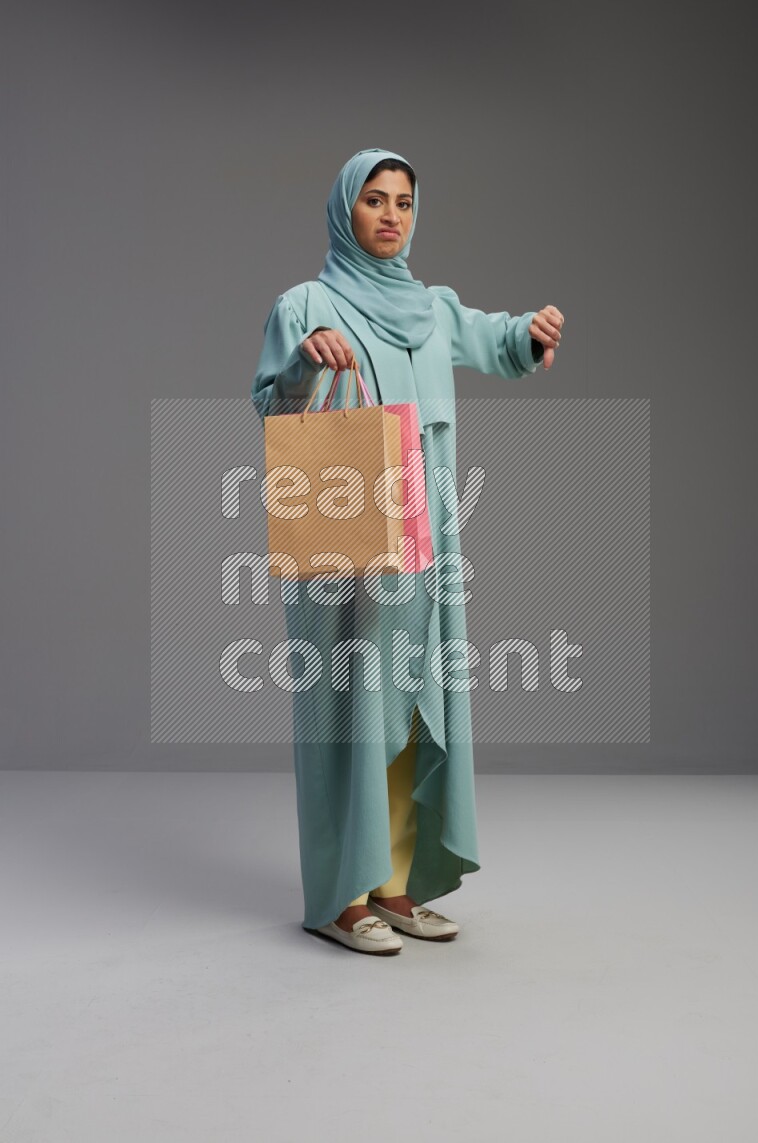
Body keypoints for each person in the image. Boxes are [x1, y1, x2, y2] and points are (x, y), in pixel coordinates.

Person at [251, 148, 564, 955]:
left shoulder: (431, 308)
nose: (391, 215)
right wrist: (303, 360)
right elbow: (270, 400)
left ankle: (390, 885)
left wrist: (530, 336)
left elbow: (497, 342)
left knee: (414, 698)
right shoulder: (307, 303)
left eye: (404, 202)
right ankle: (337, 895)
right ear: (343, 211)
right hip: (348, 531)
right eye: (374, 201)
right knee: (347, 704)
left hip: (427, 536)